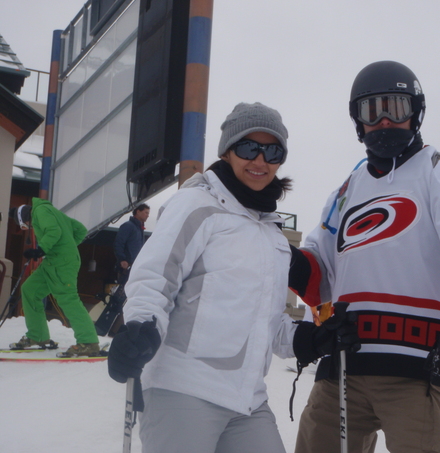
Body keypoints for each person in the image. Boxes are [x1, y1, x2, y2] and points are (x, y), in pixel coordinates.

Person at [107, 102, 359, 453]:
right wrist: (141, 327)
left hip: (248, 401)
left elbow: (264, 320)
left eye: (272, 152)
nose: (260, 160)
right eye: (248, 148)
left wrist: (311, 339)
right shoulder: (197, 204)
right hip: (183, 388)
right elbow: (156, 276)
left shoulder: (271, 235)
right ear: (227, 150)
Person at [288, 61, 440, 453]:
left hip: (420, 367)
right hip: (344, 366)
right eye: (372, 111)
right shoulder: (345, 192)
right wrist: (276, 255)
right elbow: (319, 274)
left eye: (396, 108)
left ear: (416, 112)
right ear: (358, 121)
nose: (385, 121)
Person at [8, 199, 100, 356]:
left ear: (24, 219)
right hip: (52, 262)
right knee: (30, 290)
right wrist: (66, 246)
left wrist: (42, 250)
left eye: (25, 226)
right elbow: (80, 229)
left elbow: (53, 231)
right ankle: (37, 336)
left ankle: (88, 342)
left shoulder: (40, 212)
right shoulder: (52, 212)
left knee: (68, 299)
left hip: (61, 264)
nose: (29, 228)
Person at [113, 203, 150, 285]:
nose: (148, 215)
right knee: (124, 287)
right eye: (146, 212)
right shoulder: (128, 226)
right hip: (126, 266)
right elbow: (119, 243)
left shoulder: (139, 229)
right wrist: (122, 259)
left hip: (135, 266)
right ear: (138, 211)